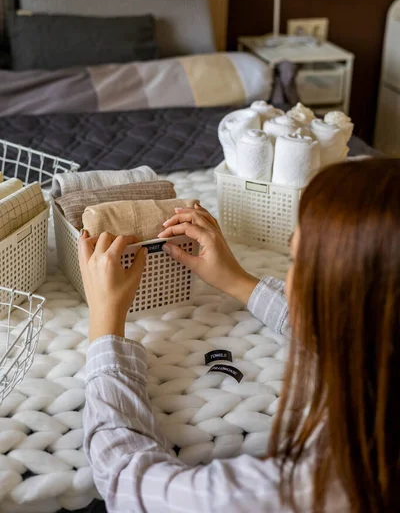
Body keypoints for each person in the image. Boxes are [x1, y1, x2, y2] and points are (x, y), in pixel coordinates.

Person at [79, 158, 400, 513]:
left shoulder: (305, 487)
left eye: (297, 261)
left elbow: (129, 482)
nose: (289, 276)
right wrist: (239, 282)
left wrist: (105, 326)